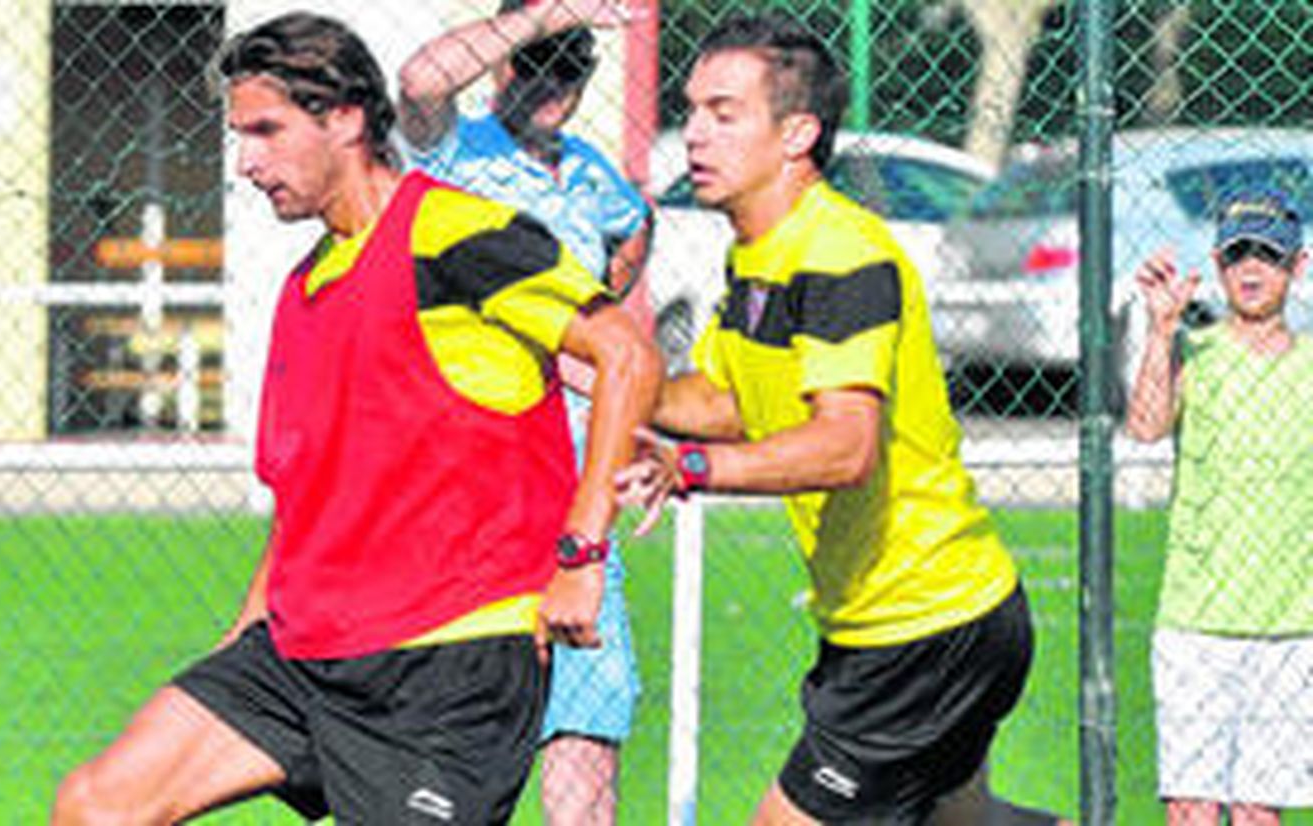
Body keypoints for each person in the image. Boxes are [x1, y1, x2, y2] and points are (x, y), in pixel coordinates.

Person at [51, 12, 659, 824]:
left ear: (344, 118)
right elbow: (306, 495)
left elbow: (627, 355)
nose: (246, 162)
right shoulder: (307, 287)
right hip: (304, 652)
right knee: (97, 805)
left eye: (266, 131)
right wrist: (242, 640)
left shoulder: (457, 234)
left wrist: (581, 555)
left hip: (452, 665)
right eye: (239, 135)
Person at [614, 14, 1059, 825]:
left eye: (724, 113)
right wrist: (593, 364)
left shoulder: (841, 255)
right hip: (908, 622)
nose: (696, 134)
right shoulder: (758, 252)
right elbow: (725, 402)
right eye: (692, 110)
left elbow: (845, 447)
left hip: (924, 625)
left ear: (798, 134)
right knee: (965, 823)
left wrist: (694, 469)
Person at [396, 2, 652, 823]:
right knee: (450, 732)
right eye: (534, 63)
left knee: (586, 715)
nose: (550, 84)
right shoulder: (454, 153)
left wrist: (594, 338)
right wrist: (545, 15)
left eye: (569, 67)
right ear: (500, 63)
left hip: (576, 487)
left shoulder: (591, 172)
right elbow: (419, 81)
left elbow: (635, 227)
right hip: (467, 482)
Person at [1126, 187, 1313, 826]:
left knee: (1259, 811)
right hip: (1197, 621)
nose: (1252, 269)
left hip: (1293, 623)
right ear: (1218, 264)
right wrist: (1161, 329)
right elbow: (1146, 426)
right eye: (1238, 255)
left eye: (1269, 255)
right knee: (1191, 807)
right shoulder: (1194, 351)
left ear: (1297, 265)